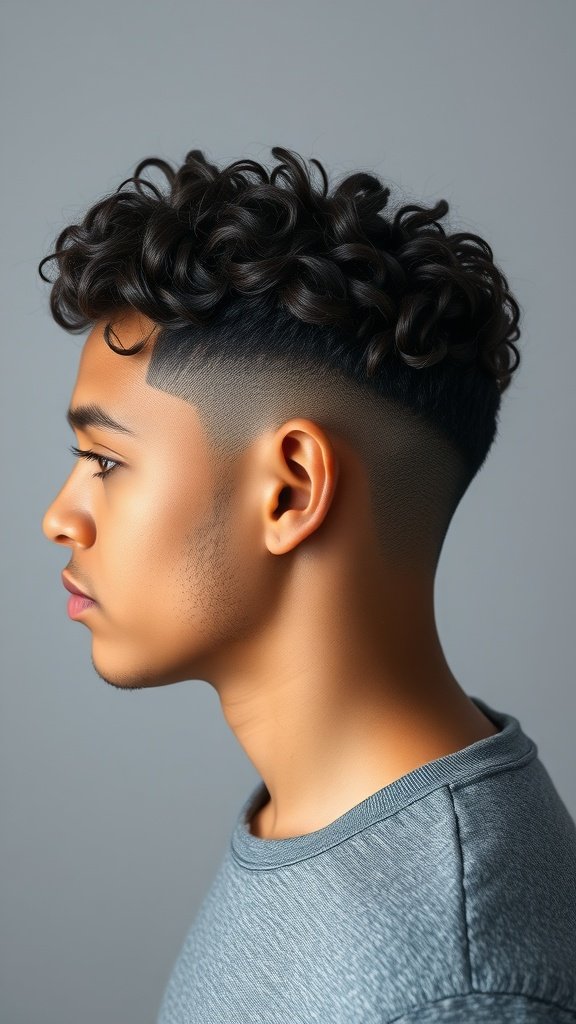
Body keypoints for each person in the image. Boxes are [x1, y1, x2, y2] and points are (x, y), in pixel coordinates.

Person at [39, 146, 576, 1022]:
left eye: (105, 459)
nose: (60, 517)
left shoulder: (452, 989)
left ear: (289, 491)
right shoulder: (316, 821)